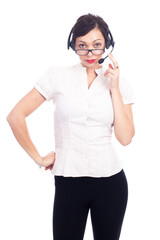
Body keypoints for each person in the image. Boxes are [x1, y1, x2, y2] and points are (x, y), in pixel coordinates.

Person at [7, 13, 135, 240]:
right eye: (82, 46)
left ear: (106, 43)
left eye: (97, 45)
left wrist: (114, 88)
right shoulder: (58, 76)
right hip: (69, 182)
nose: (89, 53)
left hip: (111, 183)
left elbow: (125, 138)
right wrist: (39, 158)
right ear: (73, 45)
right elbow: (16, 116)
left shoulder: (118, 82)